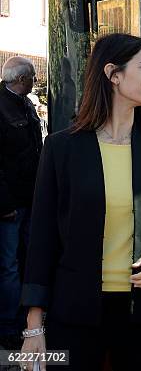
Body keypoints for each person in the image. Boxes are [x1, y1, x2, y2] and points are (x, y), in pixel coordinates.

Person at [20, 34, 141, 371]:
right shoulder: (61, 149)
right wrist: (34, 327)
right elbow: (41, 241)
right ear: (113, 73)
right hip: (74, 315)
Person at [0, 57, 42, 350]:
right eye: (33, 78)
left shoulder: (25, 105)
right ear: (22, 79)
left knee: (26, 261)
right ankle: (8, 325)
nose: (35, 82)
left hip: (28, 197)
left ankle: (26, 320)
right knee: (9, 267)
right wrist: (3, 202)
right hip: (10, 203)